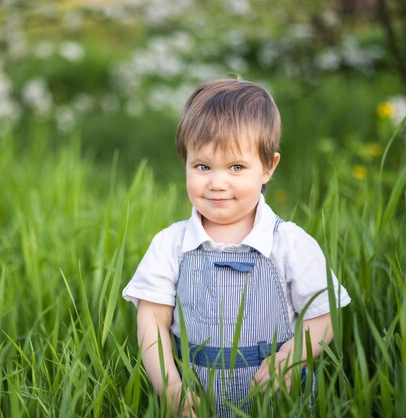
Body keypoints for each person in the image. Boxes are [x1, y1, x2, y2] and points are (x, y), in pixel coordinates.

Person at [122, 78, 351, 417]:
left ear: (268, 168)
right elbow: (152, 319)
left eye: (236, 167)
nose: (217, 183)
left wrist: (291, 357)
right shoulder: (170, 245)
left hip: (279, 402)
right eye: (202, 166)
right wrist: (170, 387)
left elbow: (325, 314)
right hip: (195, 400)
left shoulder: (289, 244)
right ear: (185, 162)